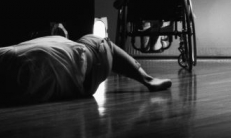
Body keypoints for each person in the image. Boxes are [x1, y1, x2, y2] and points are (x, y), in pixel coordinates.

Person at [0, 32, 171, 105]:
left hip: (77, 63)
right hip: (83, 66)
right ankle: (147, 79)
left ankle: (147, 79)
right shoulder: (19, 70)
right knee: (103, 44)